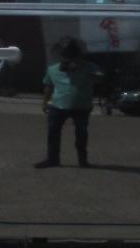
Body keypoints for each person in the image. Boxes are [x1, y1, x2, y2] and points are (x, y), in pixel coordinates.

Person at [36, 39, 97, 168]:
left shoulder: (88, 67)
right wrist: (45, 102)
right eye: (65, 59)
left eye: (71, 58)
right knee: (53, 132)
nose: (68, 62)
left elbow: (100, 77)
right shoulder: (52, 69)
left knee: (81, 133)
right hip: (57, 105)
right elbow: (48, 86)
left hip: (81, 106)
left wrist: (82, 68)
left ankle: (83, 160)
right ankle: (52, 159)